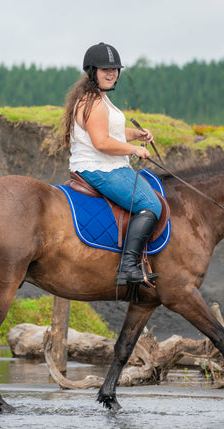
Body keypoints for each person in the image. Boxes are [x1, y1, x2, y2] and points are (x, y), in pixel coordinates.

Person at [61, 42, 162, 286]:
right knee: (151, 205)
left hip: (109, 165)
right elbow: (102, 142)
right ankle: (127, 267)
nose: (111, 73)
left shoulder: (100, 99)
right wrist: (134, 150)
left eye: (115, 69)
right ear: (92, 71)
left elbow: (111, 132)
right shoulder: (93, 104)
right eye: (105, 69)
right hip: (100, 167)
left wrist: (134, 135)